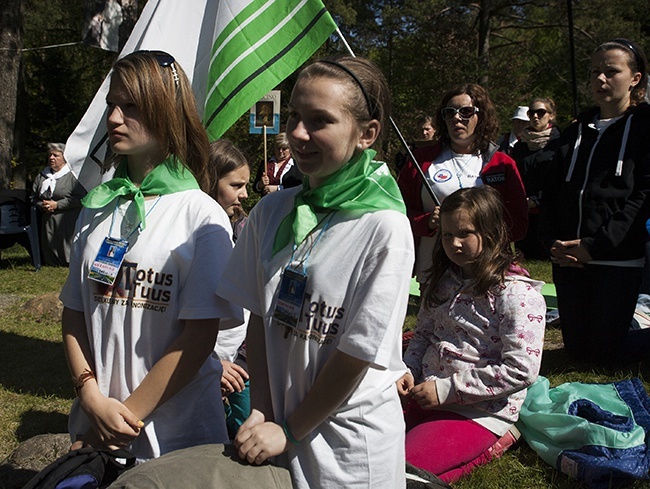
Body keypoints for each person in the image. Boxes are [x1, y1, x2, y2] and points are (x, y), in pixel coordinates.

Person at [217, 56, 414, 488]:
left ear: (367, 134)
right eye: (294, 118)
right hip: (277, 431)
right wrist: (265, 412)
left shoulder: (384, 227)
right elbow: (260, 317)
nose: (300, 134)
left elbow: (357, 353)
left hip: (348, 444)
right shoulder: (271, 211)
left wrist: (290, 429)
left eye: (320, 121)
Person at [59, 50, 242, 461]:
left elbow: (198, 337)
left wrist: (122, 420)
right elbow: (74, 310)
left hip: (175, 441)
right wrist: (90, 396)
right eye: (111, 106)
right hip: (94, 427)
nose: (113, 119)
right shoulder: (97, 205)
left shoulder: (200, 214)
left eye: (131, 107)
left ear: (166, 111)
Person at [398, 185, 546, 483]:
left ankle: (496, 441)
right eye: (447, 234)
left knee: (398, 471)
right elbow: (423, 335)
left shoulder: (516, 295)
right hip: (423, 397)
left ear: (491, 233)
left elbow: (521, 369)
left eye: (464, 233)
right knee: (365, 451)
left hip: (476, 412)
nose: (454, 243)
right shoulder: (442, 283)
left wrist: (446, 390)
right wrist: (408, 371)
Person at [539, 38, 650, 366]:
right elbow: (551, 193)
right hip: (570, 260)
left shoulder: (645, 128)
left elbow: (644, 196)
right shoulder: (575, 133)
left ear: (635, 78)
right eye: (594, 73)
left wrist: (596, 245)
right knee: (577, 352)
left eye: (611, 71)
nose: (600, 79)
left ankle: (638, 325)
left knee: (605, 357)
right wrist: (552, 244)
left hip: (617, 259)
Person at [397, 83, 528, 287]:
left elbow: (519, 223)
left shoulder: (502, 164)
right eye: (449, 113)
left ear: (481, 116)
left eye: (466, 112)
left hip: (486, 272)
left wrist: (478, 228)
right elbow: (397, 212)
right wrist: (427, 222)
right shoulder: (419, 161)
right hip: (434, 272)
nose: (457, 118)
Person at [207, 138, 252, 438]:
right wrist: (212, 364)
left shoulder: (239, 227)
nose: (245, 194)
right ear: (210, 180)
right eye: (236, 185)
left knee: (244, 427)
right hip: (206, 362)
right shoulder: (199, 233)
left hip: (238, 357)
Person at [512, 98, 561, 259]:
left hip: (550, 211)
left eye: (540, 112)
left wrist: (537, 200)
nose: (535, 116)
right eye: (531, 112)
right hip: (525, 212)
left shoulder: (560, 144)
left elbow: (560, 180)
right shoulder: (520, 147)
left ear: (551, 115)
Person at [32, 143, 86, 266]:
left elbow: (80, 198)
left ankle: (69, 261)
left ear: (64, 158)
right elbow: (34, 197)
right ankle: (50, 261)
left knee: (66, 244)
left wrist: (57, 204)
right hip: (48, 218)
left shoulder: (73, 176)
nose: (51, 158)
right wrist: (42, 205)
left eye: (55, 155)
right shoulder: (42, 176)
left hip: (68, 218)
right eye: (50, 155)